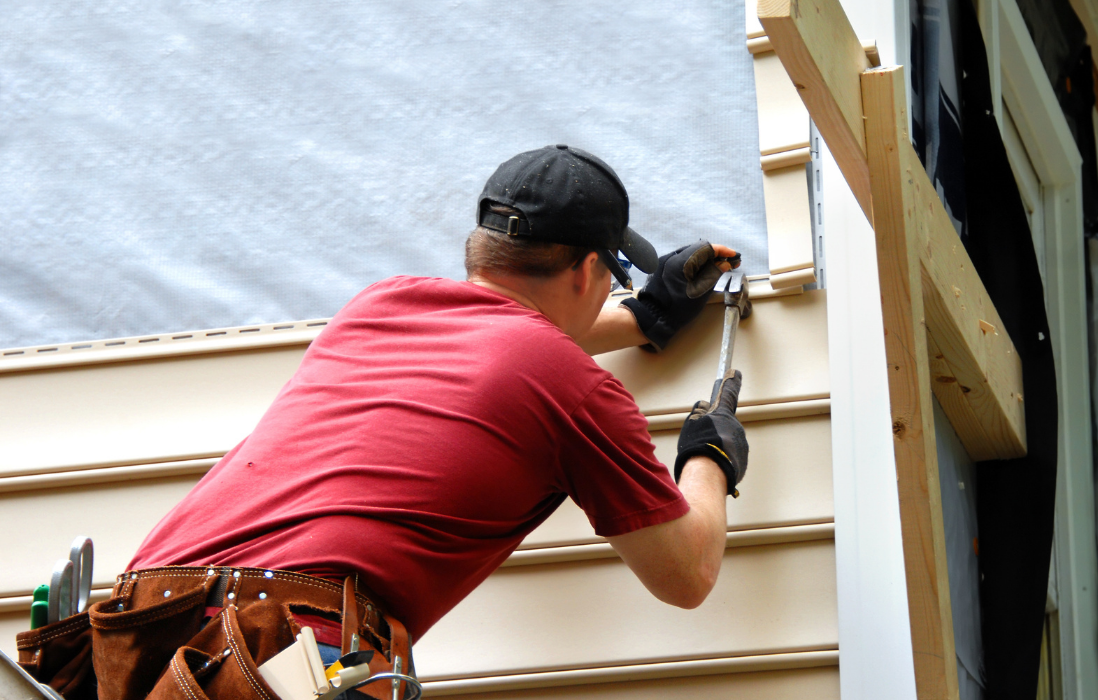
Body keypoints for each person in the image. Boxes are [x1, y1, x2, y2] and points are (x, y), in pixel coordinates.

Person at [15, 145, 750, 700]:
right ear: (588, 272)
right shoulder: (575, 390)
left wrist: (644, 319)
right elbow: (687, 575)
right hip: (280, 647)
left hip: (141, 622)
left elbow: (499, 348)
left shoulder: (380, 307)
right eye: (613, 284)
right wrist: (708, 457)